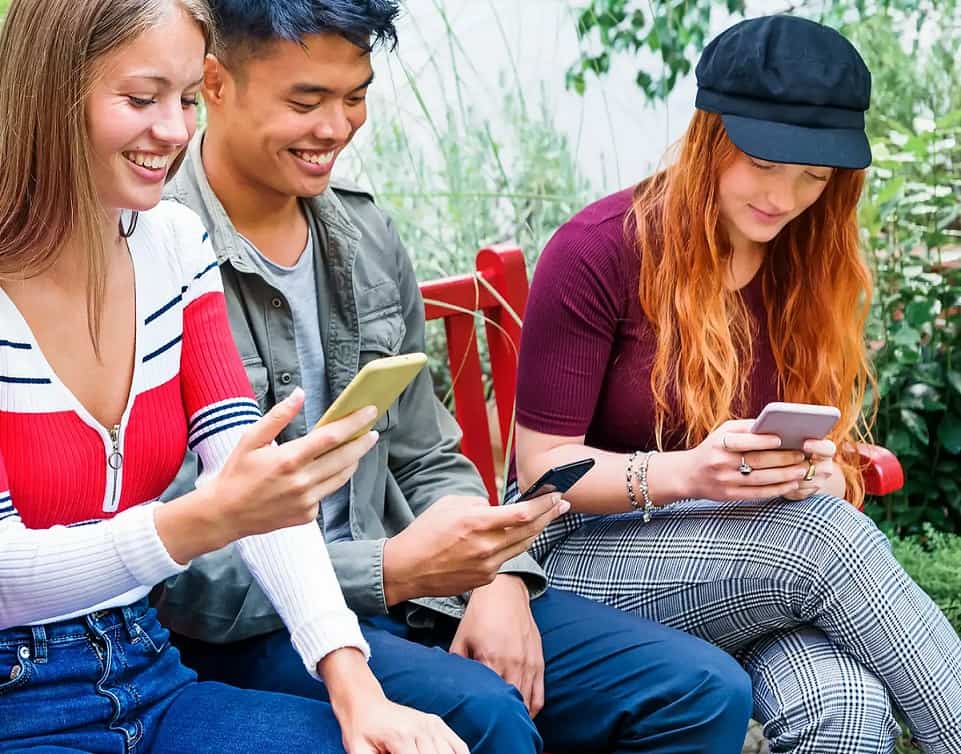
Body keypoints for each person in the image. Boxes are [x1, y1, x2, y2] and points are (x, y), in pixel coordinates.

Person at [153, 1, 756, 752]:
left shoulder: (364, 235)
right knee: (483, 712)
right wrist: (395, 569)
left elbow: (427, 452)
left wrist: (498, 576)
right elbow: (176, 563)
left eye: (356, 97)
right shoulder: (155, 251)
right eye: (305, 101)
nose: (336, 128)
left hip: (411, 589)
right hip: (258, 622)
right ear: (213, 83)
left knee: (699, 692)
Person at [0, 1, 470, 752]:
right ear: (52, 94)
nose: (177, 131)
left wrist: (358, 691)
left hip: (145, 668)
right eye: (140, 99)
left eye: (185, 99)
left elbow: (254, 487)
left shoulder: (175, 244)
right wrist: (209, 518)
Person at [509, 14, 961, 754]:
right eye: (763, 162)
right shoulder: (598, 252)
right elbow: (541, 471)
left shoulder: (805, 266)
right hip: (582, 556)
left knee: (843, 707)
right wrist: (692, 473)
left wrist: (823, 476)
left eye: (813, 176)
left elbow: (832, 456)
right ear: (709, 134)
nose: (783, 198)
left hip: (750, 562)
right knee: (823, 544)